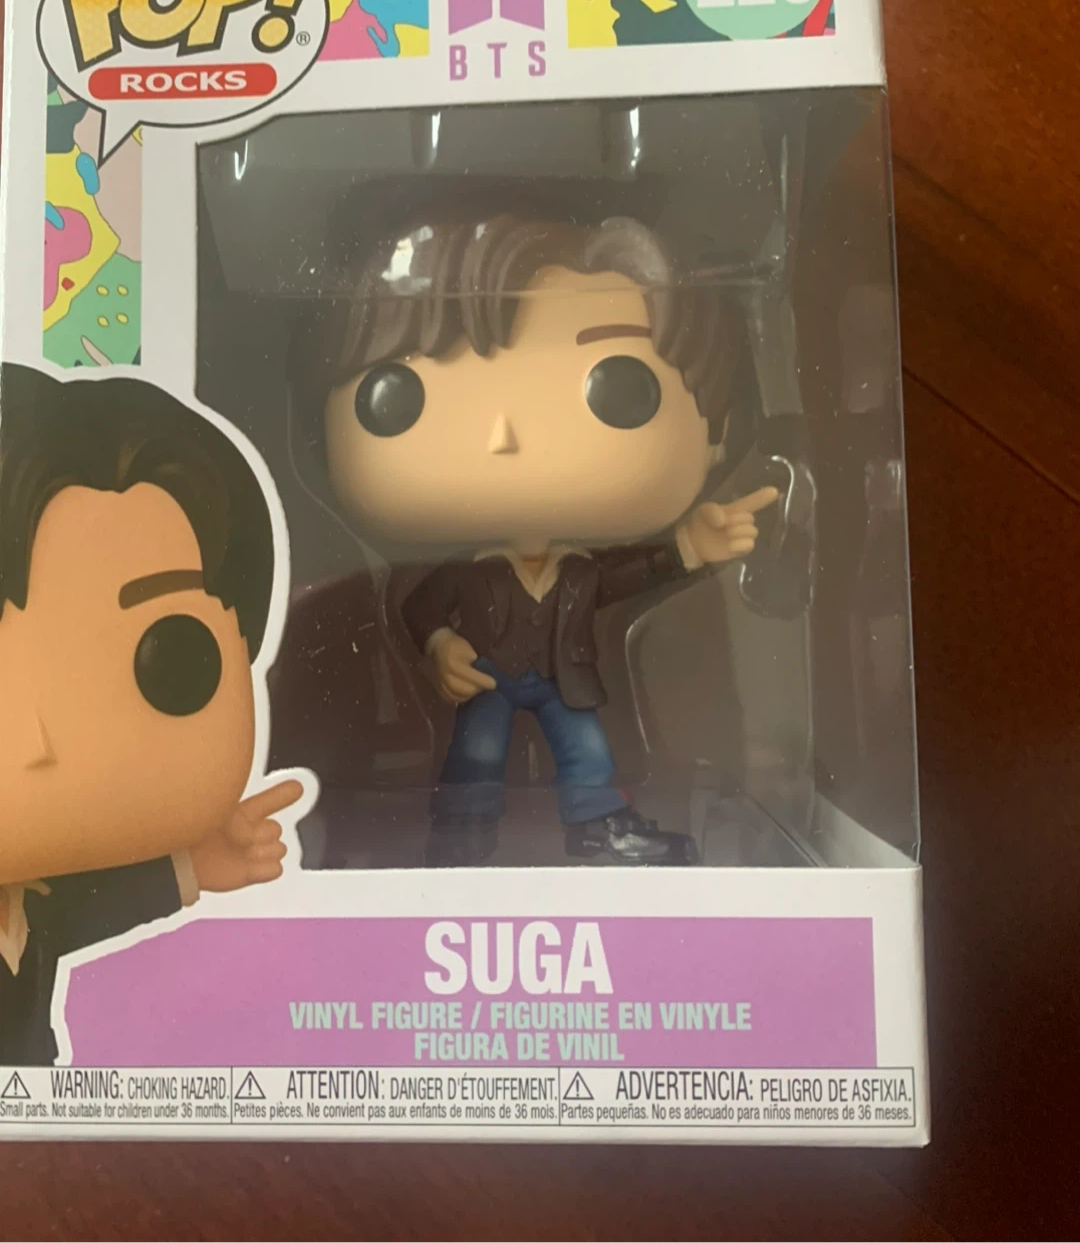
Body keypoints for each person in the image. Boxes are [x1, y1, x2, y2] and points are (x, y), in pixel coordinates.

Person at [291, 213, 776, 866]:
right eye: (395, 395)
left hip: (560, 680)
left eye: (620, 389)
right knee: (477, 753)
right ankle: (462, 833)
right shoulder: (468, 571)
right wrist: (439, 645)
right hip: (490, 678)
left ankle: (598, 829)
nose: (503, 436)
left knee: (587, 749)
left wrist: (690, 547)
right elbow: (422, 607)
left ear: (721, 432)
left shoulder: (581, 569)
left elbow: (632, 577)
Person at [0, 363, 303, 1064]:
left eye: (173, 661)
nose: (36, 742)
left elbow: (83, 910)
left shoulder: (31, 903)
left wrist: (190, 865)